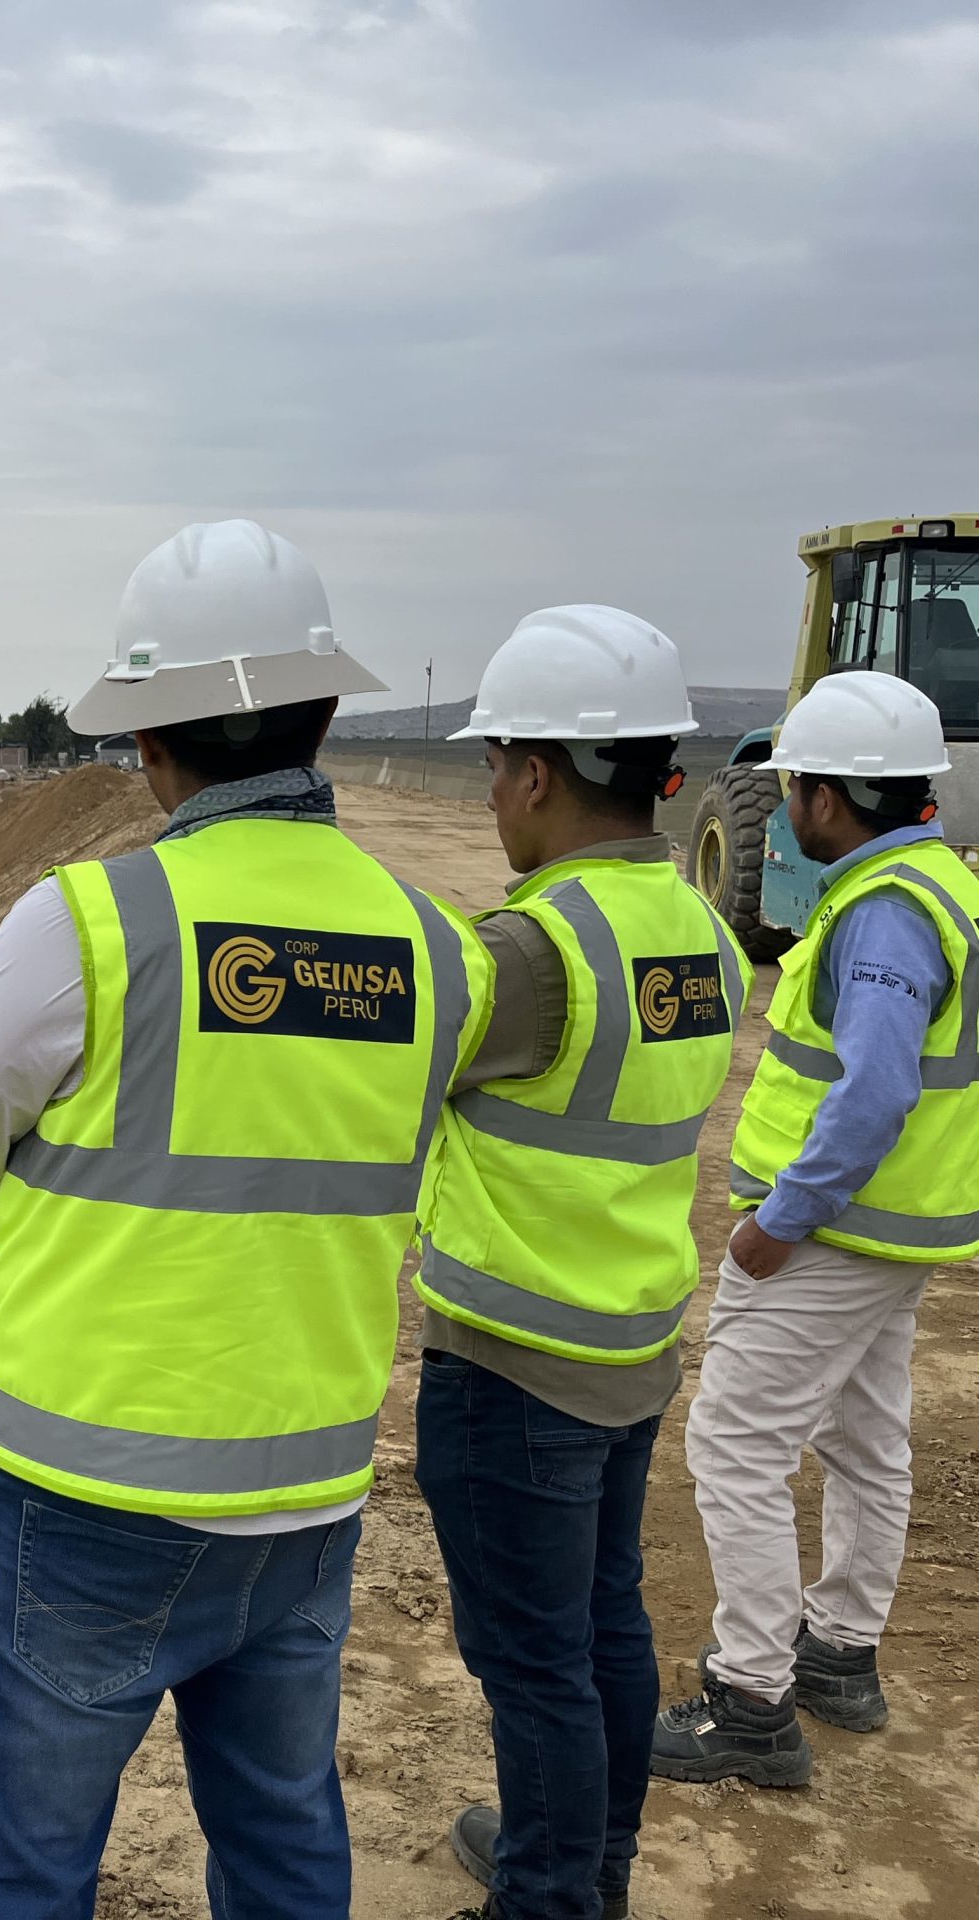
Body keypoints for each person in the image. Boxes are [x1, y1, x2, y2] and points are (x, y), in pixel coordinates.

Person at [0, 519, 487, 1920]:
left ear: (150, 741)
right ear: (327, 712)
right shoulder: (437, 948)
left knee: (20, 1868)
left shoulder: (92, 923)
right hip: (305, 1496)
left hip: (90, 1496)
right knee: (284, 1844)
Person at [411, 609, 749, 1920]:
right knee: (605, 1630)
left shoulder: (534, 957)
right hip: (628, 1345)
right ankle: (588, 1871)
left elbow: (394, 1060)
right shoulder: (697, 933)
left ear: (539, 777)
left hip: (516, 1369)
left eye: (495, 767)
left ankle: (548, 1897)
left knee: (533, 1664)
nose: (491, 792)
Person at [654, 671, 979, 1788]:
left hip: (830, 1234)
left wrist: (779, 1222)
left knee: (734, 1444)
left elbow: (876, 1087)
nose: (787, 801)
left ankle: (750, 1697)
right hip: (893, 1234)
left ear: (828, 797)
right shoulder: (936, 883)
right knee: (863, 1438)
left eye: (794, 782)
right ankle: (838, 1651)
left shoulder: (884, 913)